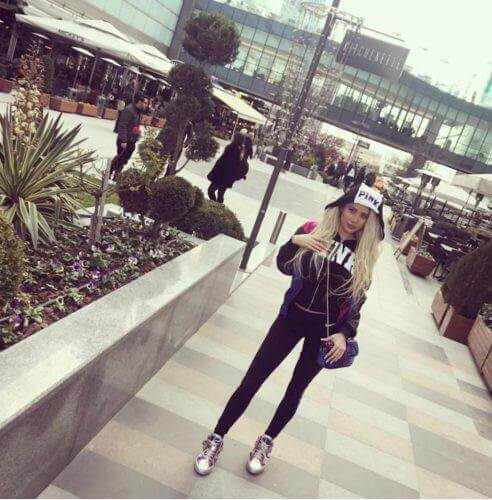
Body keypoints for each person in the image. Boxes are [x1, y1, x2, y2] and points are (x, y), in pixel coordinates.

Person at [194, 183, 385, 476]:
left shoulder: (363, 253)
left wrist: (344, 334)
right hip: (290, 319)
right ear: (341, 207)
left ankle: (266, 442)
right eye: (352, 210)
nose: (355, 219)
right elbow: (283, 264)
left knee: (296, 390)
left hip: (324, 331)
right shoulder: (313, 230)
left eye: (363, 216)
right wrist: (297, 240)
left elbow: (357, 300)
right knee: (252, 379)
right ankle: (216, 438)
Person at [110, 92, 148, 179]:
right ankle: (111, 172)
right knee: (121, 158)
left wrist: (137, 133)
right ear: (140, 102)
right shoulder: (129, 110)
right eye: (145, 103)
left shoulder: (138, 112)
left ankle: (116, 174)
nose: (146, 105)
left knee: (124, 159)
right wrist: (123, 140)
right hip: (125, 140)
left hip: (132, 140)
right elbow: (122, 125)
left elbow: (133, 125)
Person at [207, 133, 244, 204]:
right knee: (220, 194)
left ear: (236, 138)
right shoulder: (240, 149)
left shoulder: (231, 147)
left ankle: (215, 206)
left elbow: (224, 161)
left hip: (221, 175)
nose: (232, 137)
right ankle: (218, 207)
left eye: (234, 136)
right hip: (228, 177)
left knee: (211, 190)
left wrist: (216, 171)